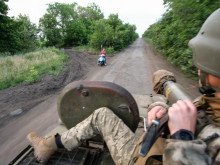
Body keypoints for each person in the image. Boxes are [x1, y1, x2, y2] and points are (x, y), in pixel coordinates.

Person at [27, 9, 220, 165]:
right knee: (102, 114)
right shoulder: (212, 102)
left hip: (140, 158)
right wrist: (159, 109)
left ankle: (47, 144)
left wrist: (182, 136)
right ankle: (48, 145)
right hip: (150, 146)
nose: (197, 70)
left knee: (101, 116)